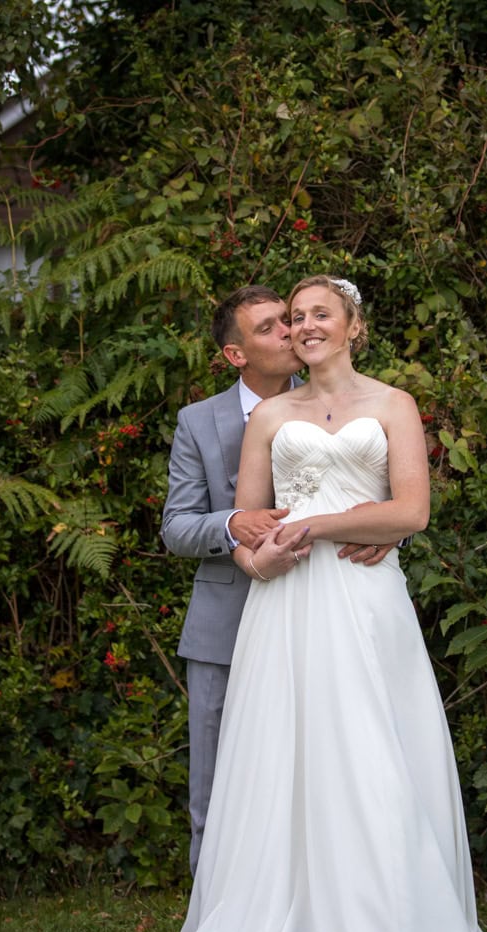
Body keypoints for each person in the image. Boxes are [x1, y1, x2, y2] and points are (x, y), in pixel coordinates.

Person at [149, 275, 487, 932]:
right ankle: (277, 909)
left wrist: (325, 524)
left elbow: (410, 513)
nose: (302, 326)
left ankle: (386, 909)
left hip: (362, 596)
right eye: (294, 317)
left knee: (371, 742)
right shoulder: (266, 418)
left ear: (353, 325)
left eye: (318, 314)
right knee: (283, 751)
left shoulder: (393, 404)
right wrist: (259, 559)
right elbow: (248, 527)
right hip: (283, 605)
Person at [160, 284, 392, 876]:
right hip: (226, 619)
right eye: (268, 328)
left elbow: (376, 486)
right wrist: (235, 522)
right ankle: (214, 898)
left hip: (320, 607)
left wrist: (392, 530)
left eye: (286, 322)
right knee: (217, 771)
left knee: (317, 759)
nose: (289, 333)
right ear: (236, 354)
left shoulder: (335, 401)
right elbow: (177, 528)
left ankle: (312, 887)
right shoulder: (198, 422)